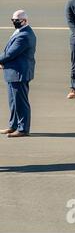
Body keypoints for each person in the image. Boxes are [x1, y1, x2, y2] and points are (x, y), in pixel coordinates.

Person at [0, 10, 36, 138]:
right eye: (13, 20)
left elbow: (10, 53)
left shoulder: (24, 35)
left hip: (19, 73)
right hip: (13, 72)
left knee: (20, 102)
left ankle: (23, 129)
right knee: (13, 102)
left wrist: (1, 61)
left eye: (17, 21)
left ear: (25, 21)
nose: (14, 23)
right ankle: (13, 126)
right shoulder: (20, 31)